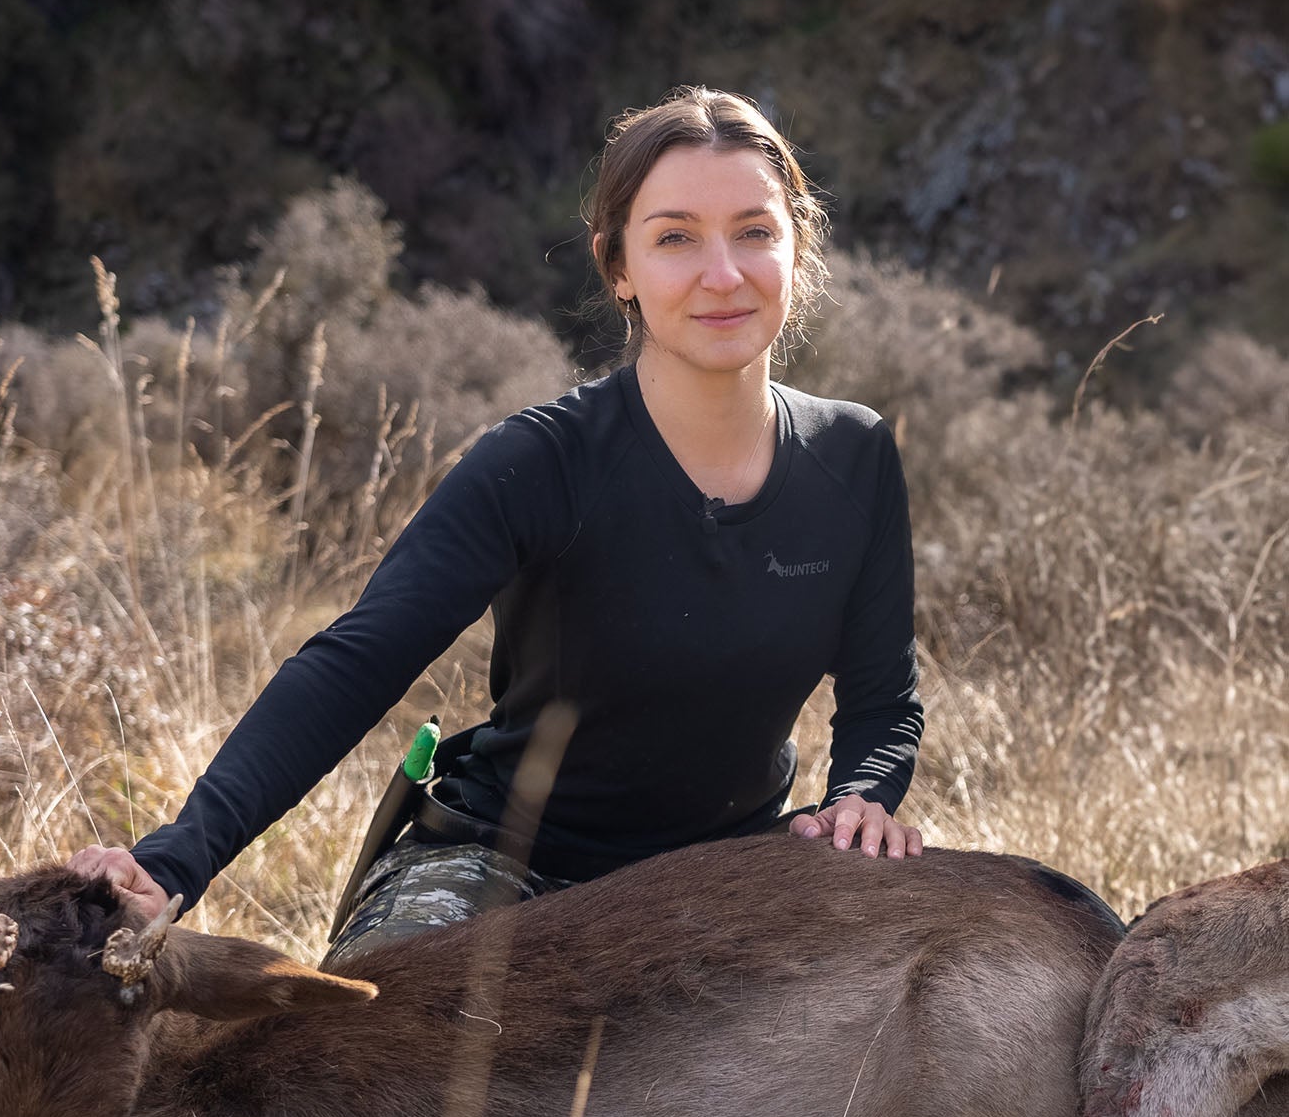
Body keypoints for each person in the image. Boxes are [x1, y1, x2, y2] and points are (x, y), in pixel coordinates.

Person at [68, 88, 924, 961]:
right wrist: (177, 858)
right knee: (367, 1058)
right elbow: (356, 663)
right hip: (505, 865)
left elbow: (882, 699)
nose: (722, 273)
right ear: (617, 267)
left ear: (796, 246)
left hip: (729, 871)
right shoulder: (538, 461)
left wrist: (862, 794)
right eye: (674, 237)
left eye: (754, 231)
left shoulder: (852, 456)